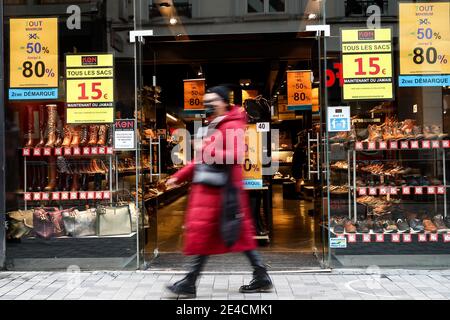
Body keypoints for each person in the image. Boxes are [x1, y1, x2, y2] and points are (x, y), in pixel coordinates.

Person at [165, 85, 273, 298]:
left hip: (224, 192)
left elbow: (235, 155)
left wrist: (205, 147)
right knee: (226, 236)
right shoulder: (215, 124)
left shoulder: (231, 124)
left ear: (224, 102)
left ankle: (190, 281)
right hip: (214, 192)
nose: (208, 105)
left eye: (212, 100)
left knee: (217, 236)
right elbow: (201, 160)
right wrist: (180, 175)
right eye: (206, 101)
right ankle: (259, 275)